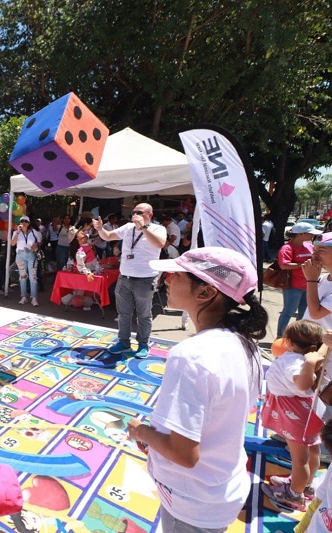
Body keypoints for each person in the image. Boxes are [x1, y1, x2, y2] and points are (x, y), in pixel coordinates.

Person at [126, 246, 267, 532]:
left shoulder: (192, 355)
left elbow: (184, 454)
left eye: (175, 274)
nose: (166, 279)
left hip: (193, 501)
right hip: (221, 488)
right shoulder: (245, 345)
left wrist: (141, 431)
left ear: (205, 293)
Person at [260, 320, 326, 511]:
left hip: (294, 412)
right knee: (312, 451)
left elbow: (302, 385)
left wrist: (309, 364)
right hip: (308, 408)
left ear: (288, 341)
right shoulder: (310, 355)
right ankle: (305, 485)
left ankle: (294, 495)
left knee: (300, 458)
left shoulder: (294, 361)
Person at [91, 203, 167, 361]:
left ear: (149, 215)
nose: (135, 215)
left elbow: (160, 244)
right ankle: (124, 342)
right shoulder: (128, 227)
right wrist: (99, 229)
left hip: (145, 278)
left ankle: (143, 344)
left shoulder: (158, 229)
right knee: (124, 314)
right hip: (125, 277)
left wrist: (144, 228)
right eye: (134, 212)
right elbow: (108, 236)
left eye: (139, 212)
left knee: (143, 315)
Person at [276, 222, 321, 338]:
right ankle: (280, 337)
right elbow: (283, 265)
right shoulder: (287, 248)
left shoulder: (310, 246)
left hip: (308, 285)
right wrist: (304, 264)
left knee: (304, 314)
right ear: (301, 234)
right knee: (288, 312)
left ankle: (298, 337)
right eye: (310, 234)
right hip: (293, 286)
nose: (312, 236)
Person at [11, 215, 43, 307]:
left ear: (29, 223)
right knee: (23, 276)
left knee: (33, 277)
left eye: (25, 221)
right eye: (22, 221)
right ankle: (24, 296)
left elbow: (40, 241)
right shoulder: (17, 232)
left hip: (31, 255)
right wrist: (17, 232)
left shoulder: (33, 232)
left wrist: (36, 244)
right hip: (20, 255)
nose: (23, 223)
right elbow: (13, 243)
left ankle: (34, 298)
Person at [303, 232, 332, 330]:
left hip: (324, 343)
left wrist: (311, 280)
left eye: (321, 250)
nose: (314, 254)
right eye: (314, 250)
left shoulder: (315, 279)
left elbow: (315, 314)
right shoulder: (324, 278)